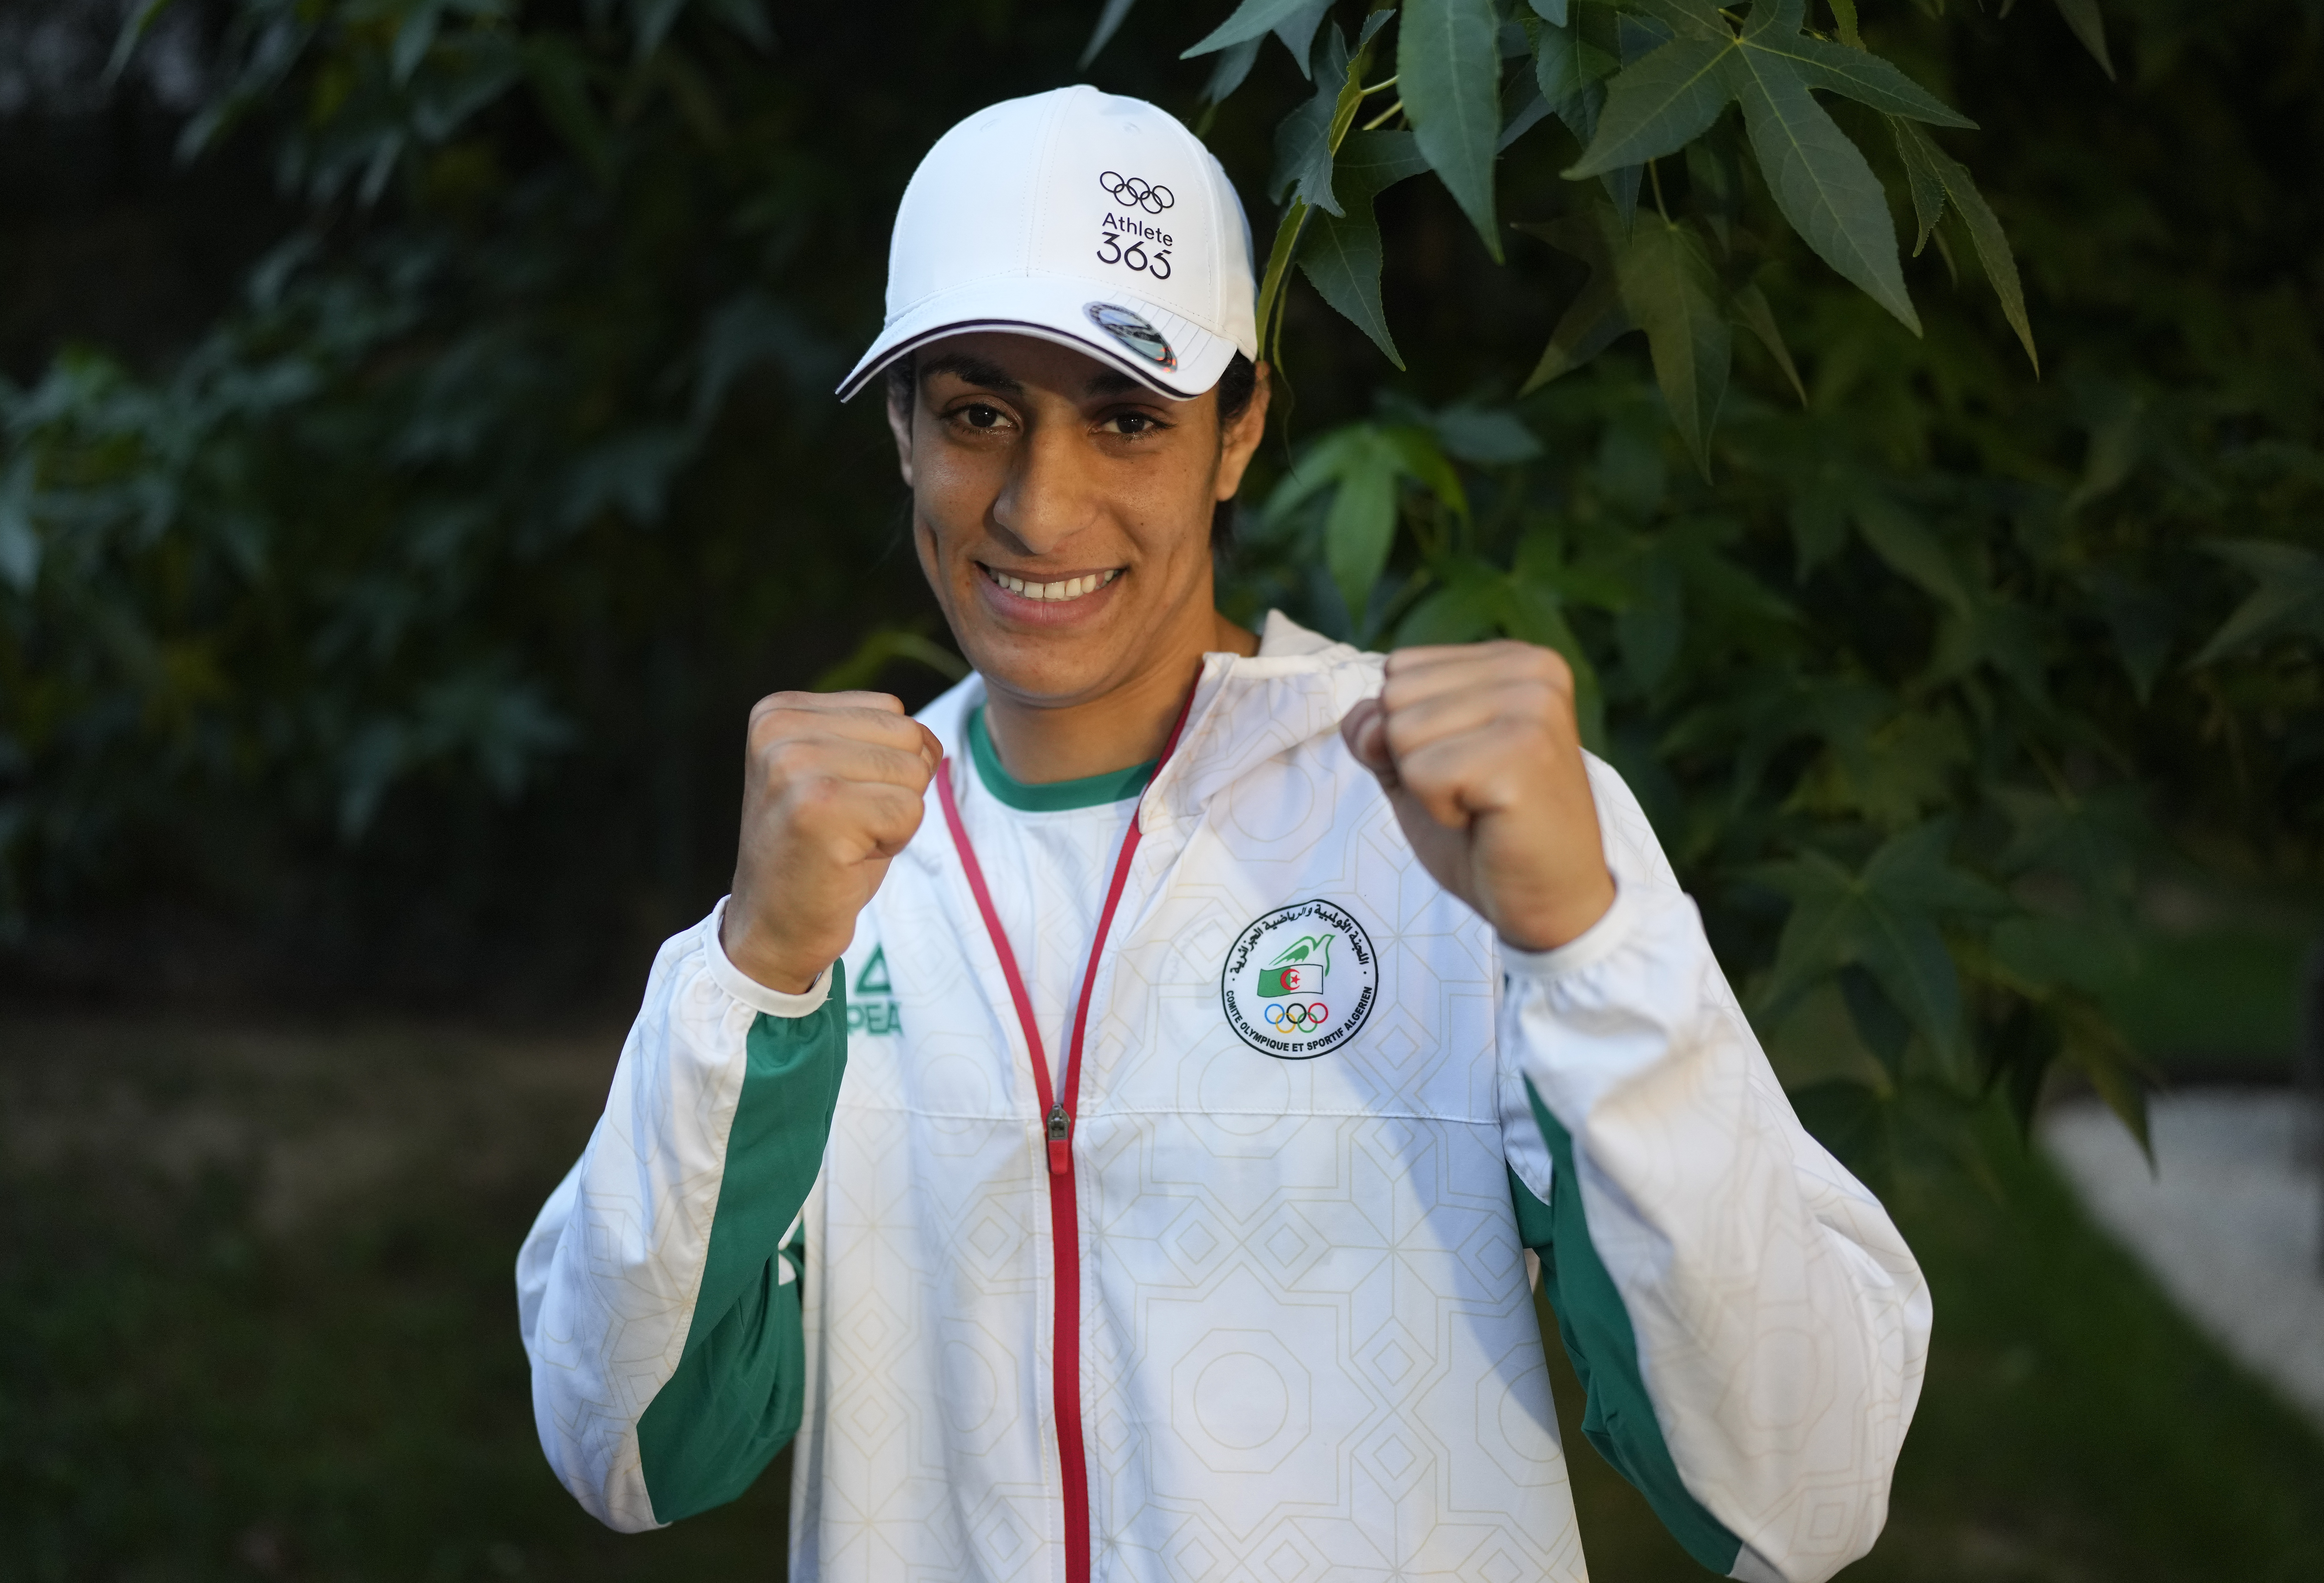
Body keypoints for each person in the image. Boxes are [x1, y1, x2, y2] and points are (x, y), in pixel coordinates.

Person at [517, 85, 1930, 1583]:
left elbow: (1799, 1492)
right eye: (977, 411)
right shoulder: (828, 867)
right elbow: (628, 1444)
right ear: (901, 431)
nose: (1038, 508)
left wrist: (1590, 948)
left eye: (1126, 415)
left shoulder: (1464, 825)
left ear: (1241, 429)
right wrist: (752, 973)